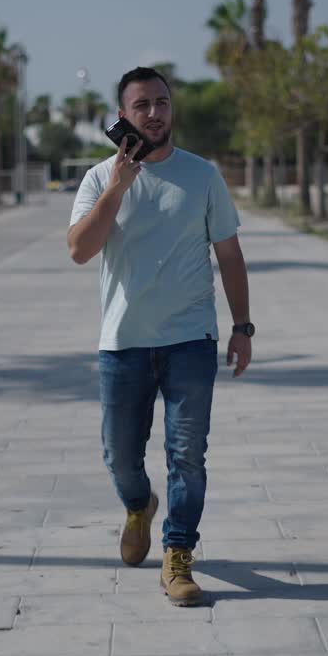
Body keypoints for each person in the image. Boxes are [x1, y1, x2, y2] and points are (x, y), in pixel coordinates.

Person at [67, 67, 253, 607]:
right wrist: (119, 190)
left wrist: (242, 328)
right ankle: (137, 504)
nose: (154, 113)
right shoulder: (100, 178)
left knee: (187, 454)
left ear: (172, 110)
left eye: (162, 102)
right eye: (142, 104)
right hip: (123, 342)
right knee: (120, 456)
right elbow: (80, 250)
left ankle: (178, 555)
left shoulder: (203, 176)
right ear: (123, 114)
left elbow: (231, 255)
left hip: (191, 339)